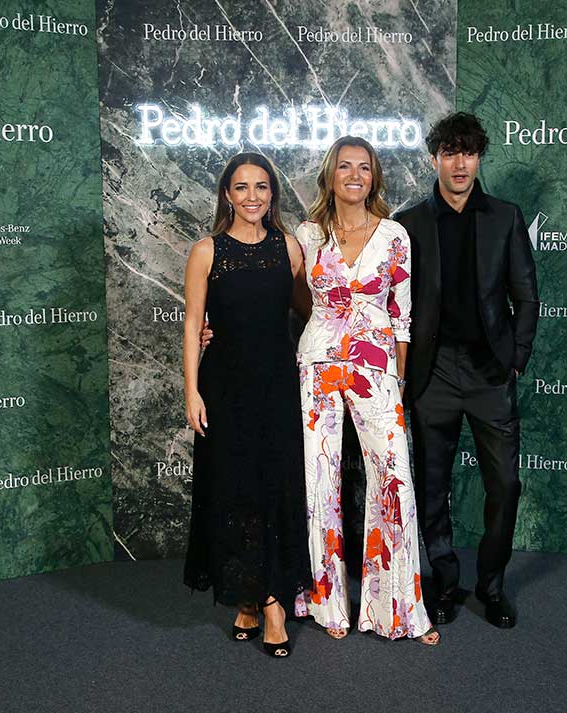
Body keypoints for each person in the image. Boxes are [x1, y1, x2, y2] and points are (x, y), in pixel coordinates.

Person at [393, 112, 539, 629]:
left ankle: (492, 586)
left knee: (506, 484)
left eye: (469, 152)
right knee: (432, 486)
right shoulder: (407, 224)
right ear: (434, 158)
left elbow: (526, 294)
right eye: (450, 152)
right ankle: (445, 581)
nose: (459, 163)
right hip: (432, 374)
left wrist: (514, 361)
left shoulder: (505, 216)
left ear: (479, 157)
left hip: (489, 372)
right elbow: (390, 303)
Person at [293, 136, 439, 645]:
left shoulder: (395, 234)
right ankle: (325, 601)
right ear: (330, 175)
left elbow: (402, 317)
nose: (355, 175)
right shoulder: (308, 235)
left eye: (365, 167)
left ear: (374, 177)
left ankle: (397, 609)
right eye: (345, 166)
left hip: (376, 369)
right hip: (317, 363)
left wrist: (397, 380)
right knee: (318, 482)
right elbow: (289, 298)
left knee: (393, 475)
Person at [182, 152, 311, 658]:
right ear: (226, 194)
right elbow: (194, 325)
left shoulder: (291, 249)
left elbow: (310, 313)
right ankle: (247, 599)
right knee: (234, 491)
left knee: (273, 489)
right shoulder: (206, 251)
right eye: (241, 187)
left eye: (261, 187)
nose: (252, 196)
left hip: (278, 388)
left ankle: (273, 601)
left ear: (272, 195)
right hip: (225, 390)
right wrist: (191, 390)